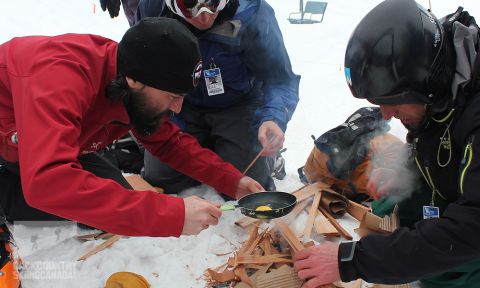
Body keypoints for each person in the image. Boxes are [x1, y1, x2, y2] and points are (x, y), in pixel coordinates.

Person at [0, 17, 263, 238]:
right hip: (12, 138)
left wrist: (233, 181)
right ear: (134, 81)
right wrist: (172, 215)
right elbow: (48, 182)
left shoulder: (135, 71)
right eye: (172, 96)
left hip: (49, 139)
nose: (178, 108)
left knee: (113, 204)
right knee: (59, 197)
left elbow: (167, 141)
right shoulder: (60, 78)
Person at [294, 0, 480, 287]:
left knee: (453, 263)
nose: (385, 115)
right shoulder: (441, 69)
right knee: (397, 201)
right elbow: (435, 134)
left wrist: (353, 261)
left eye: (391, 102)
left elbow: (472, 226)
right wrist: (406, 167)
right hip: (463, 199)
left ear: (425, 85)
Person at [133, 0, 300, 194]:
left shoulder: (253, 12)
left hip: (238, 104)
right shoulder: (153, 9)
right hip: (180, 105)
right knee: (163, 178)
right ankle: (212, 145)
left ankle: (265, 158)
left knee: (247, 183)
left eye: (213, 4)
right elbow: (142, 67)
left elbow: (279, 78)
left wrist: (273, 117)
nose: (204, 17)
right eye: (190, 6)